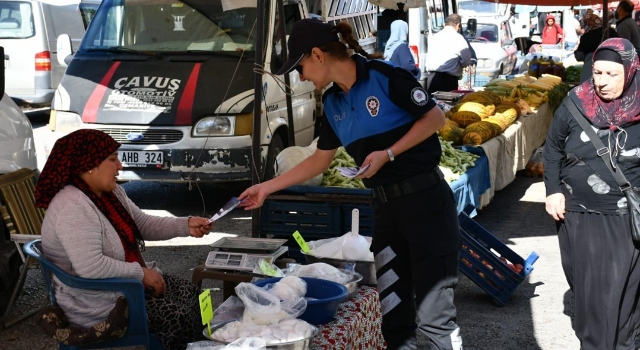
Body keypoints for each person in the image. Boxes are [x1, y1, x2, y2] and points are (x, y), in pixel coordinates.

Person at [240, 18, 463, 350]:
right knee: (394, 316)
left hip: (426, 204)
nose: (300, 77)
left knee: (434, 319)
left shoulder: (385, 77)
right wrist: (267, 187)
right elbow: (319, 160)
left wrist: (389, 152)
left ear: (317, 55)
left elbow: (435, 118)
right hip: (386, 212)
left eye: (299, 67)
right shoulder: (332, 104)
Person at [35, 129, 214, 350]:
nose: (120, 166)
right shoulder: (72, 206)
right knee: (175, 317)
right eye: (112, 159)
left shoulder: (111, 193)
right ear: (89, 164)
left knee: (192, 295)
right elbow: (90, 267)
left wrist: (185, 225)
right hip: (97, 301)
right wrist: (141, 273)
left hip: (126, 285)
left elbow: (144, 224)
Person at [543, 38, 640, 350]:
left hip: (624, 217)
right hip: (577, 214)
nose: (602, 82)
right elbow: (553, 148)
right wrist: (553, 191)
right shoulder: (576, 101)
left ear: (630, 71)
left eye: (612, 74)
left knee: (618, 294)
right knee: (586, 291)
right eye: (598, 73)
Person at [424, 14, 472, 94]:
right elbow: (466, 59)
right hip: (447, 80)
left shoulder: (434, 37)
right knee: (447, 104)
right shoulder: (457, 37)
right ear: (458, 25)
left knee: (433, 104)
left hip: (432, 78)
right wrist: (460, 64)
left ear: (445, 24)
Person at [574, 14, 618, 83]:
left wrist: (576, 52)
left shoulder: (587, 37)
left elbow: (579, 56)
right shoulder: (611, 32)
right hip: (613, 69)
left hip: (591, 71)